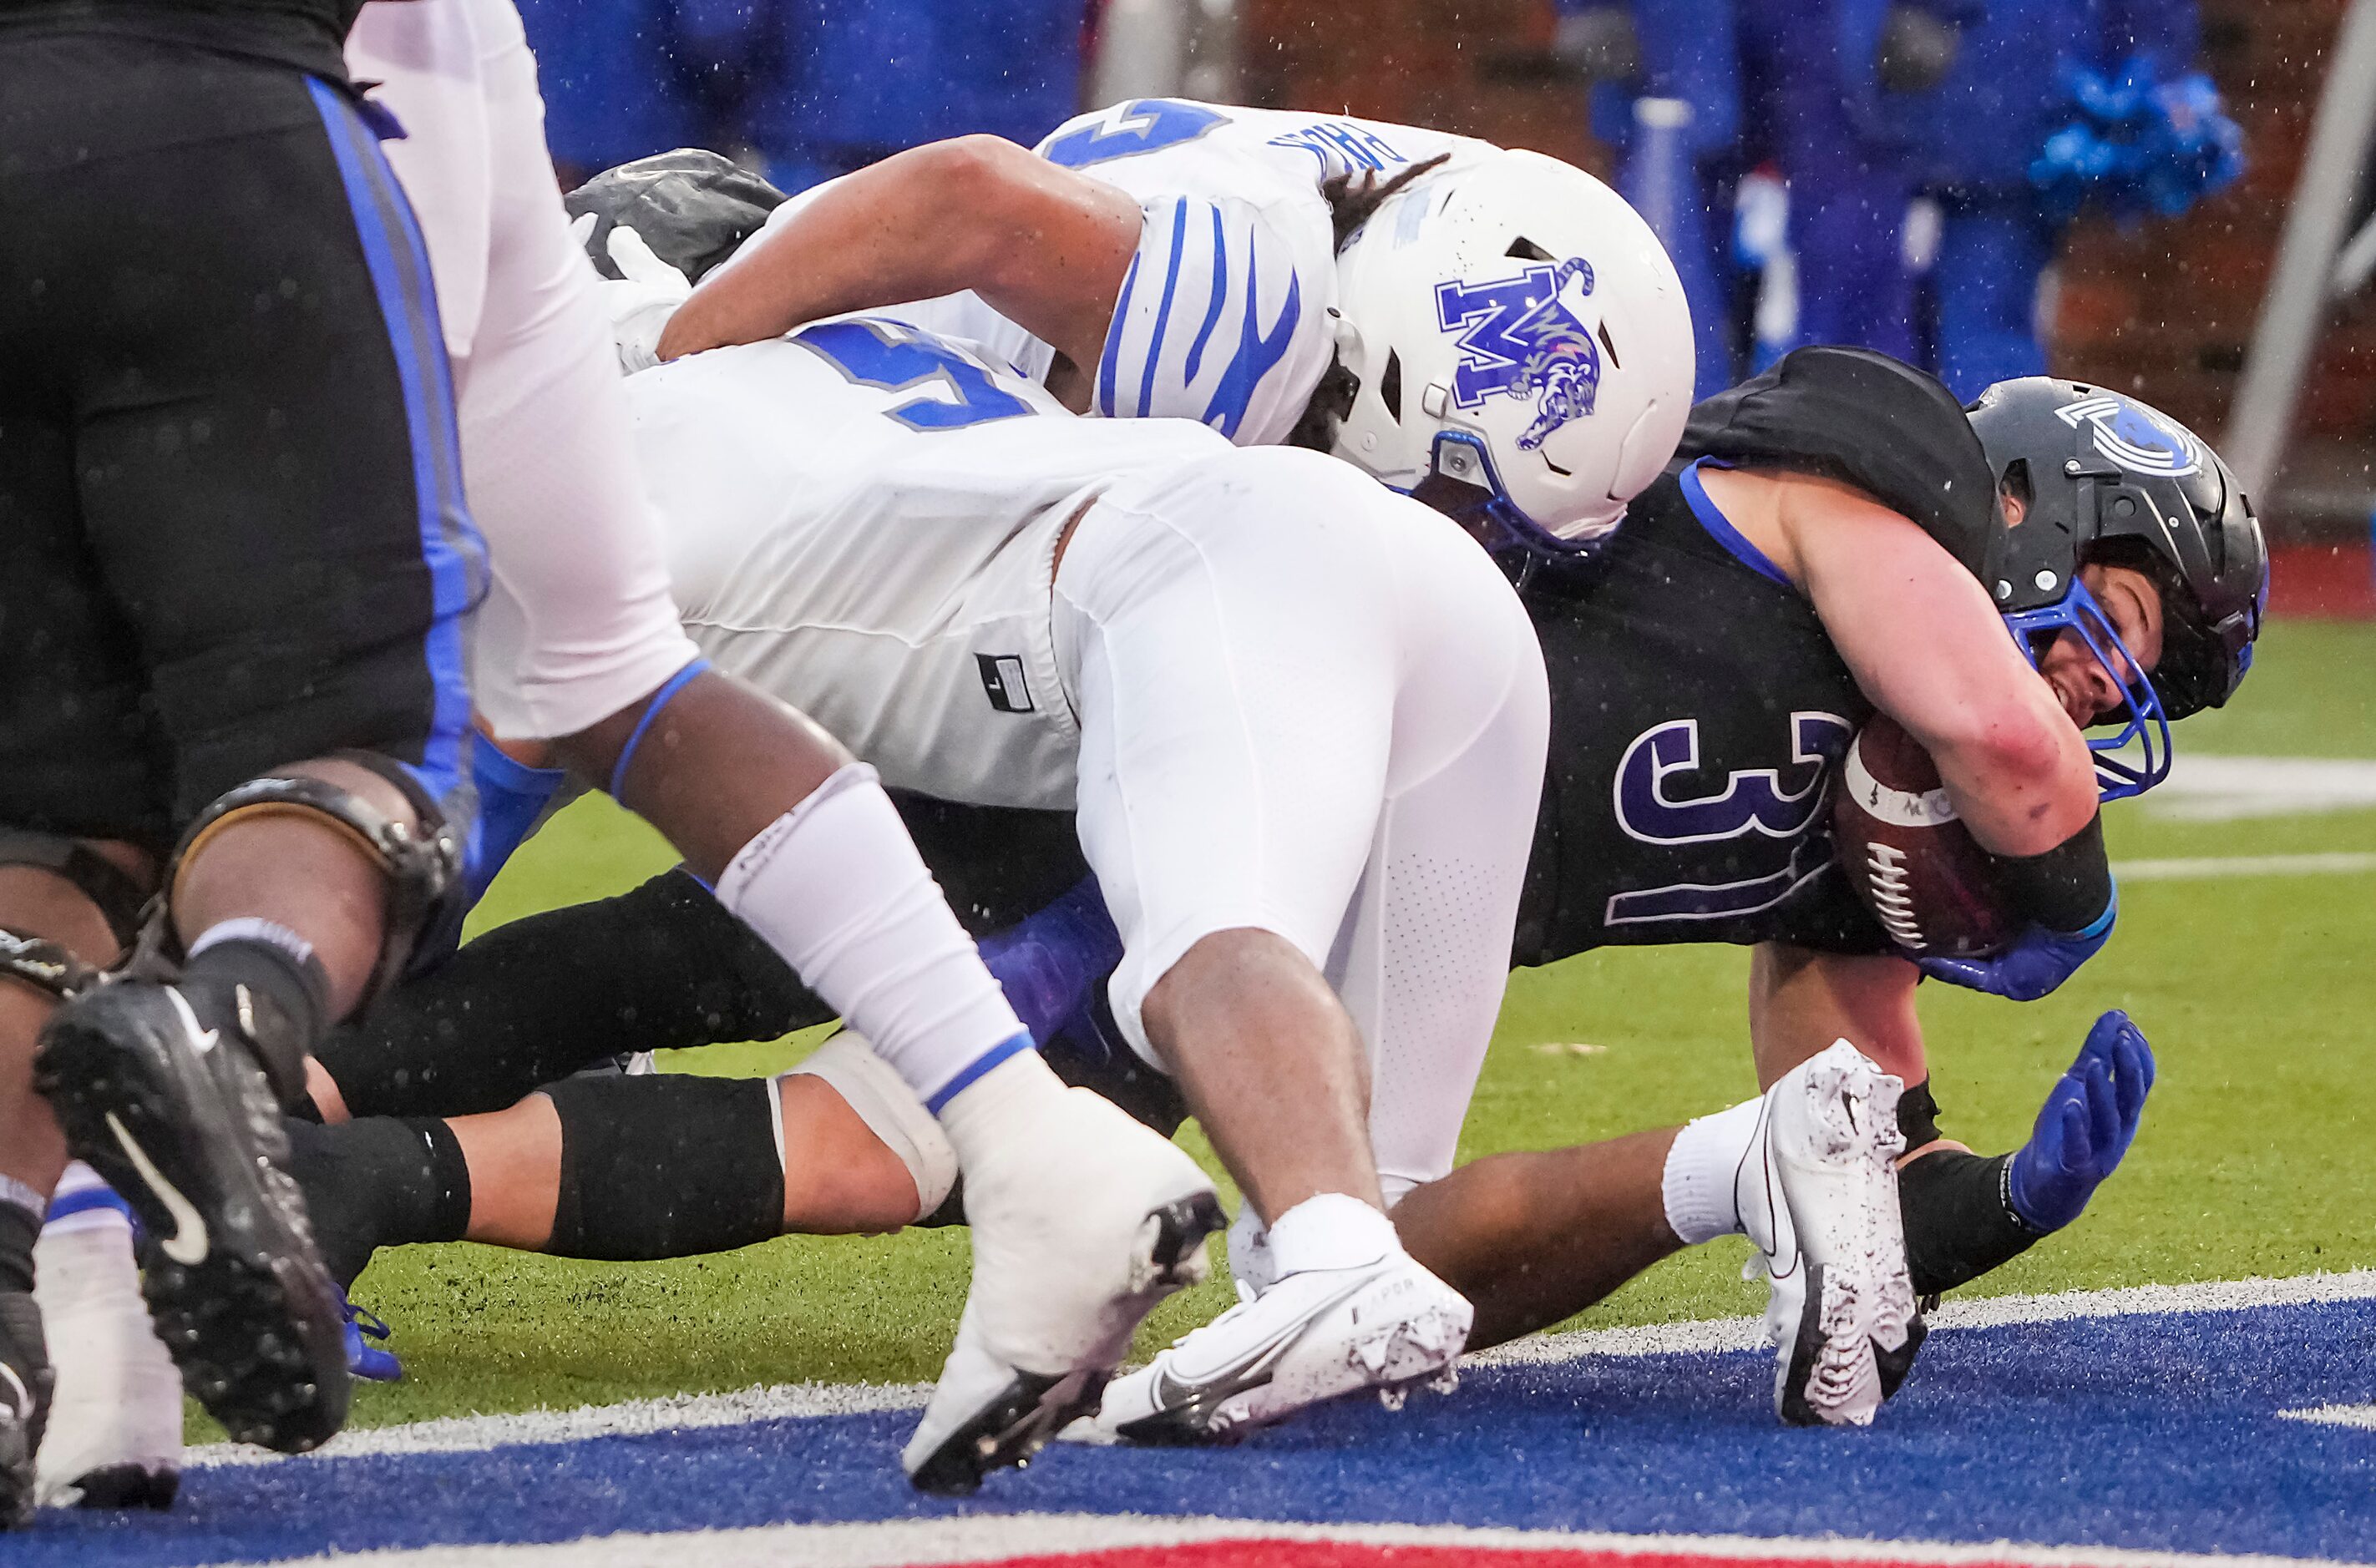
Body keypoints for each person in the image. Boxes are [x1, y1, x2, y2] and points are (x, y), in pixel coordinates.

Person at [272, 353, 2258, 1444]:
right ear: (2014, 508)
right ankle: (291, 1082)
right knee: (722, 943)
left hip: (1355, 892)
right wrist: (2054, 882)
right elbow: (2009, 751)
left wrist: (1959, 1209)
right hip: (1252, 712)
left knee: (915, 1152)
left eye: (2137, 702)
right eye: (2123, 630)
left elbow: (1846, 1095)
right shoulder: (1873, 472)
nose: (2105, 699)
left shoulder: (1878, 820)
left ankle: (358, 1178)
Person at [21, 0, 1224, 1511]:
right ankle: (1047, 1140)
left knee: (111, 787)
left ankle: (83, 1294)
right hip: (337, 96)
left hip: (133, 118)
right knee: (428, 753)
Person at [640, 99, 1700, 557]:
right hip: (742, 343)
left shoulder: (1421, 228)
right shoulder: (1257, 317)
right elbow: (966, 198)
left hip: (847, 386)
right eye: (1472, 505)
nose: (1473, 543)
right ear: (1383, 377)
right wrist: (665, 358)